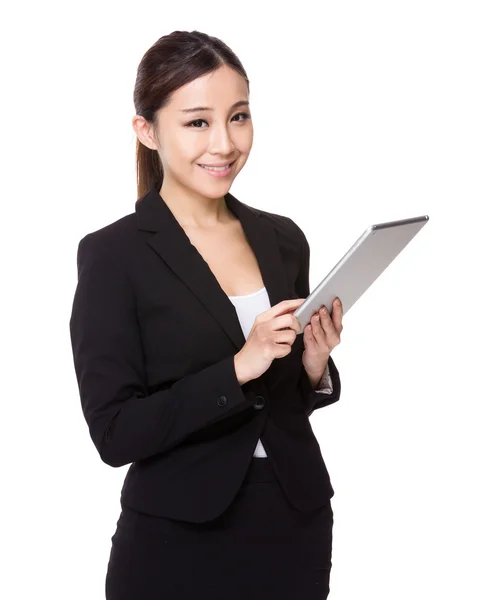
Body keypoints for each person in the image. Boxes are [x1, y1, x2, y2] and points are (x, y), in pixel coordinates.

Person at [69, 29, 344, 600]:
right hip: (178, 536)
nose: (224, 142)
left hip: (294, 523)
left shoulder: (283, 238)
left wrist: (313, 367)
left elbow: (280, 403)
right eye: (198, 122)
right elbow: (115, 433)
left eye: (238, 117)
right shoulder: (115, 254)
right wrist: (238, 367)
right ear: (147, 130)